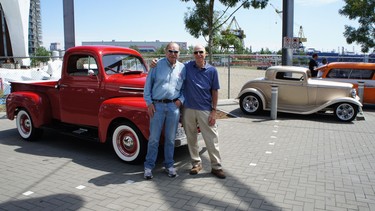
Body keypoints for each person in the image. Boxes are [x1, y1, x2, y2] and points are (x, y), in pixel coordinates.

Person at [151, 44, 226, 179]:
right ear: (193, 54)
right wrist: (154, 62)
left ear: (206, 54)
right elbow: (172, 62)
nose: (198, 55)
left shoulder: (212, 71)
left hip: (205, 109)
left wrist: (214, 110)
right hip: (188, 109)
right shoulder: (186, 67)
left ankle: (216, 166)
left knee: (212, 138)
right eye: (196, 52)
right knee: (191, 138)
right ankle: (196, 163)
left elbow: (215, 91)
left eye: (201, 52)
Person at [143, 42, 185, 180]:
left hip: (173, 107)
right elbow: (147, 86)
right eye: (171, 51)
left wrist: (181, 100)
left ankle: (169, 165)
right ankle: (149, 167)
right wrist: (149, 103)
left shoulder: (182, 68)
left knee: (170, 139)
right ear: (166, 52)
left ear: (179, 53)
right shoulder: (156, 65)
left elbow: (185, 88)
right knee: (154, 139)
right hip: (158, 106)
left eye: (176, 52)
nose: (173, 54)